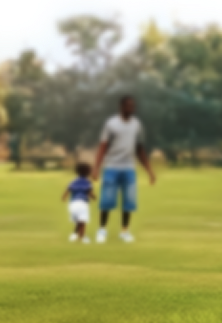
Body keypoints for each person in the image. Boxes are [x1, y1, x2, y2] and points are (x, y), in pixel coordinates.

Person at [93, 95, 155, 243]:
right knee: (106, 200)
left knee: (129, 201)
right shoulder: (111, 124)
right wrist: (96, 167)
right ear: (121, 107)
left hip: (129, 168)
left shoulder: (136, 124)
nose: (131, 108)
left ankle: (125, 231)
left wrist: (149, 170)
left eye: (133, 106)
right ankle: (102, 230)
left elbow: (139, 148)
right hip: (112, 167)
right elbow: (103, 146)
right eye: (128, 106)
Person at [63, 162, 95, 243]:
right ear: (88, 172)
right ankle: (82, 237)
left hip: (73, 204)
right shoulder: (87, 182)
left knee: (78, 220)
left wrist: (64, 197)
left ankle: (74, 235)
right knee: (82, 221)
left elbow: (68, 190)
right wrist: (93, 197)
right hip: (83, 203)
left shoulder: (74, 181)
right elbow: (89, 193)